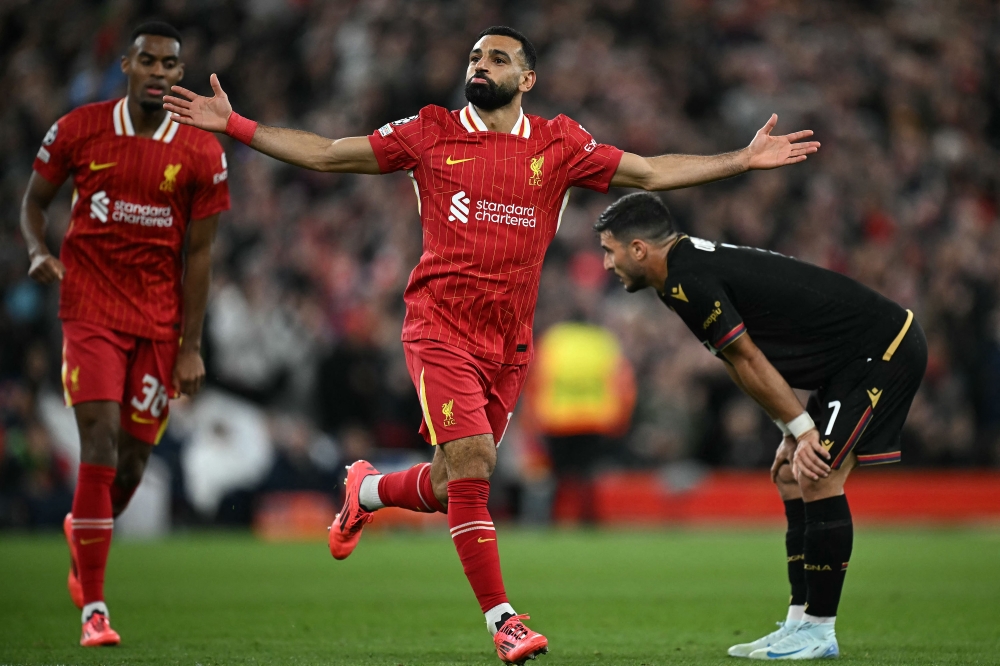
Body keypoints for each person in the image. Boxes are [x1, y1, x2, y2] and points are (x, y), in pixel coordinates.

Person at [163, 25, 818, 664]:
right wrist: (237, 126)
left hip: (507, 343)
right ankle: (503, 621)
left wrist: (740, 159)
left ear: (526, 79)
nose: (480, 64)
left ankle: (365, 493)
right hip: (439, 326)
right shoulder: (430, 133)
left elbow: (648, 169)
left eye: (497, 58)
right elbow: (330, 152)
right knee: (474, 462)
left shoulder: (559, 144)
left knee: (454, 485)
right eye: (475, 56)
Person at [595, 192, 927, 660]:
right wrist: (790, 428)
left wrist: (803, 429)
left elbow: (748, 356)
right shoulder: (679, 278)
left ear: (638, 249)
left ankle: (820, 630)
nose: (606, 264)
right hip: (844, 361)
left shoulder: (690, 278)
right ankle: (798, 622)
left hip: (881, 349)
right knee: (792, 474)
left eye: (609, 250)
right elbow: (738, 359)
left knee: (818, 472)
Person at [20, 21, 230, 647]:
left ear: (178, 74)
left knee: (134, 464)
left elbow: (200, 257)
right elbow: (34, 202)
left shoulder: (199, 151)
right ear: (126, 66)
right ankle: (95, 610)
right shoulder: (80, 128)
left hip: (159, 324)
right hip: (89, 310)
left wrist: (191, 346)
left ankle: (82, 535)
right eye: (148, 61)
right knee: (102, 441)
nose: (160, 73)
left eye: (171, 65)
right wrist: (36, 250)